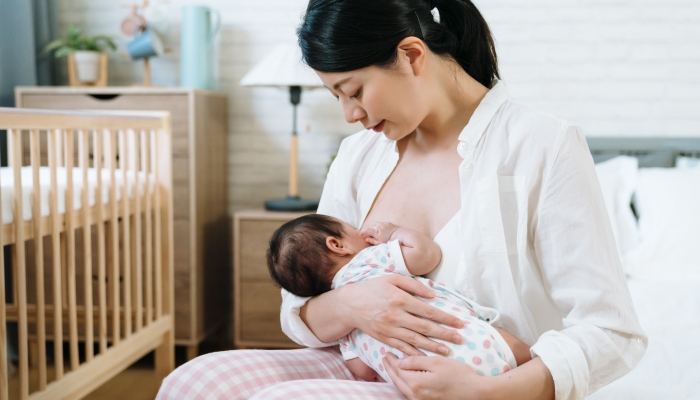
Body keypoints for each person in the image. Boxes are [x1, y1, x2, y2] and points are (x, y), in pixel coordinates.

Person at [157, 0, 647, 399]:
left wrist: (491, 393)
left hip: (491, 382)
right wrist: (353, 304)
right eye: (336, 97)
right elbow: (300, 310)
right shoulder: (358, 156)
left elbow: (611, 333)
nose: (350, 114)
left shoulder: (541, 145)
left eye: (354, 90)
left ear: (412, 56)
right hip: (374, 367)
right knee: (191, 383)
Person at [266, 215, 532, 384]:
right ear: (337, 245)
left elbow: (362, 371)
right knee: (526, 354)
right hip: (474, 342)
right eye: (354, 229)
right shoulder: (369, 261)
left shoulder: (344, 332)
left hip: (433, 380)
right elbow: (426, 255)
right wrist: (393, 233)